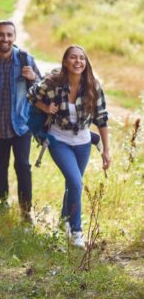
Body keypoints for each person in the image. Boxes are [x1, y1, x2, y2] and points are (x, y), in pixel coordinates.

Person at [27, 45, 110, 248]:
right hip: (59, 140)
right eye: (73, 57)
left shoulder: (92, 86)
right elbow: (31, 95)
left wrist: (106, 150)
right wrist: (46, 107)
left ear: (85, 62)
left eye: (81, 58)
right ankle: (76, 232)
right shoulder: (54, 82)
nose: (78, 61)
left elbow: (102, 119)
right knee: (75, 183)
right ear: (65, 61)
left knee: (71, 184)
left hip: (82, 143)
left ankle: (64, 220)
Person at [0, 20, 41, 222]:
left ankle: (26, 210)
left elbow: (42, 90)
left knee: (23, 166)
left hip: (21, 125)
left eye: (9, 35)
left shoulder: (25, 59)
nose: (5, 38)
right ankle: (3, 200)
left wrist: (33, 78)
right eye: (1, 34)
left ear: (14, 38)